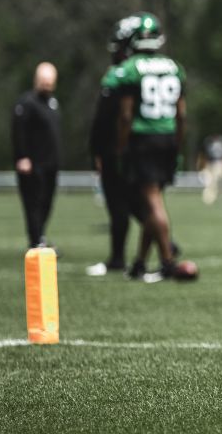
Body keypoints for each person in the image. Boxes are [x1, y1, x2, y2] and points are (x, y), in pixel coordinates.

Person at [112, 13, 191, 283]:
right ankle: (140, 262)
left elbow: (125, 116)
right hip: (168, 136)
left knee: (152, 201)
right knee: (153, 201)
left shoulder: (130, 69)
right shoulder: (174, 66)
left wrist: (121, 147)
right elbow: (182, 115)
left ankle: (167, 260)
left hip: (143, 138)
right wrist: (177, 144)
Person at [86, 21, 140, 276]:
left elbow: (108, 118)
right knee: (137, 202)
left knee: (124, 204)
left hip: (117, 150)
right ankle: (166, 246)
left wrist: (103, 149)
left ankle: (119, 258)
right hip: (130, 149)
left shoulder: (122, 75)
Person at [12, 62, 61, 250]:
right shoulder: (26, 103)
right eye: (44, 81)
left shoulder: (53, 102)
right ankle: (35, 240)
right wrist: (22, 156)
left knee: (47, 202)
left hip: (51, 163)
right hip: (33, 164)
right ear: (36, 80)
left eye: (50, 82)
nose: (47, 85)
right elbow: (18, 131)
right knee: (33, 203)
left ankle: (40, 235)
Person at [196, 134, 222, 205]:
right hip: (211, 163)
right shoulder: (208, 142)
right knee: (211, 182)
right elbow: (203, 154)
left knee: (219, 181)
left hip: (221, 163)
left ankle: (218, 197)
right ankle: (209, 199)